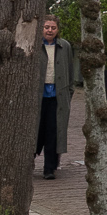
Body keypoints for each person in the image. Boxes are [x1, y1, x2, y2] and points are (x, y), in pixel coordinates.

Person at [35, 14, 78, 179]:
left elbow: (70, 70)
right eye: (46, 27)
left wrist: (69, 93)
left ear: (57, 29)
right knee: (36, 129)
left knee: (53, 130)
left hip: (57, 97)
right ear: (41, 28)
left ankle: (49, 168)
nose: (49, 30)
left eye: (53, 27)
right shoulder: (35, 45)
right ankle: (28, 162)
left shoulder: (65, 46)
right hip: (38, 96)